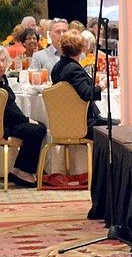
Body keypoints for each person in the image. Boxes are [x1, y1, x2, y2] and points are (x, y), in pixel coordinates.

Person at [51, 29, 114, 139]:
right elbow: (87, 93)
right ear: (81, 49)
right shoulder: (74, 69)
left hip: (64, 122)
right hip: (82, 124)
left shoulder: (57, 67)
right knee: (119, 126)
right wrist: (102, 86)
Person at [1, 47, 47, 187]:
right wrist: (25, 120)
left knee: (38, 126)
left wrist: (25, 119)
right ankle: (25, 172)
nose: (1, 65)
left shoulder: (3, 78)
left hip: (8, 122)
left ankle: (18, 170)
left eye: (3, 61)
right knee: (36, 129)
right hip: (3, 126)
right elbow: (8, 111)